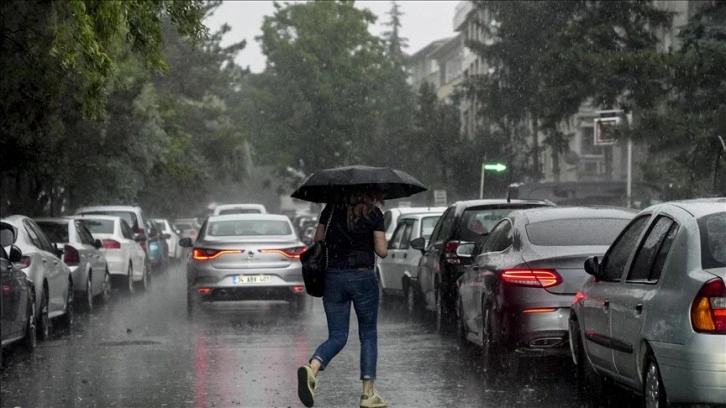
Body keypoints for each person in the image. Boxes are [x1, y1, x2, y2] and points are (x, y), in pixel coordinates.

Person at [297, 188, 389, 408]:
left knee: (337, 335)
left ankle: (313, 368)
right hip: (362, 276)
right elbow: (382, 251)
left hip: (333, 277)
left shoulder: (330, 212)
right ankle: (368, 394)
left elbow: (318, 239)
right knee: (368, 334)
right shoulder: (374, 214)